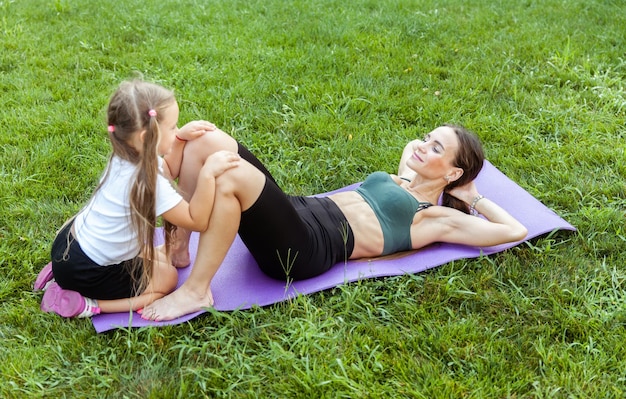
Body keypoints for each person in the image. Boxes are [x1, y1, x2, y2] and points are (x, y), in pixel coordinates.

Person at [140, 123, 528, 322]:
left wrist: (470, 194)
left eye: (436, 148)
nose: (423, 146)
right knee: (208, 139)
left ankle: (196, 290)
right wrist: (433, 158)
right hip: (297, 211)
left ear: (452, 173)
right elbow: (411, 150)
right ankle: (178, 244)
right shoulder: (405, 179)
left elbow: (514, 231)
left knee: (229, 174)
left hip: (304, 248)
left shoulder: (435, 218)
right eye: (428, 138)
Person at [33, 80, 241, 318]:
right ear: (146, 136)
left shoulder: (125, 156)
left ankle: (60, 275)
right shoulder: (146, 183)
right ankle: (87, 303)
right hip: (88, 271)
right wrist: (207, 174)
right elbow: (197, 220)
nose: (176, 131)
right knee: (169, 278)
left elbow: (168, 171)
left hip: (68, 244)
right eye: (173, 127)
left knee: (162, 258)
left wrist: (180, 140)